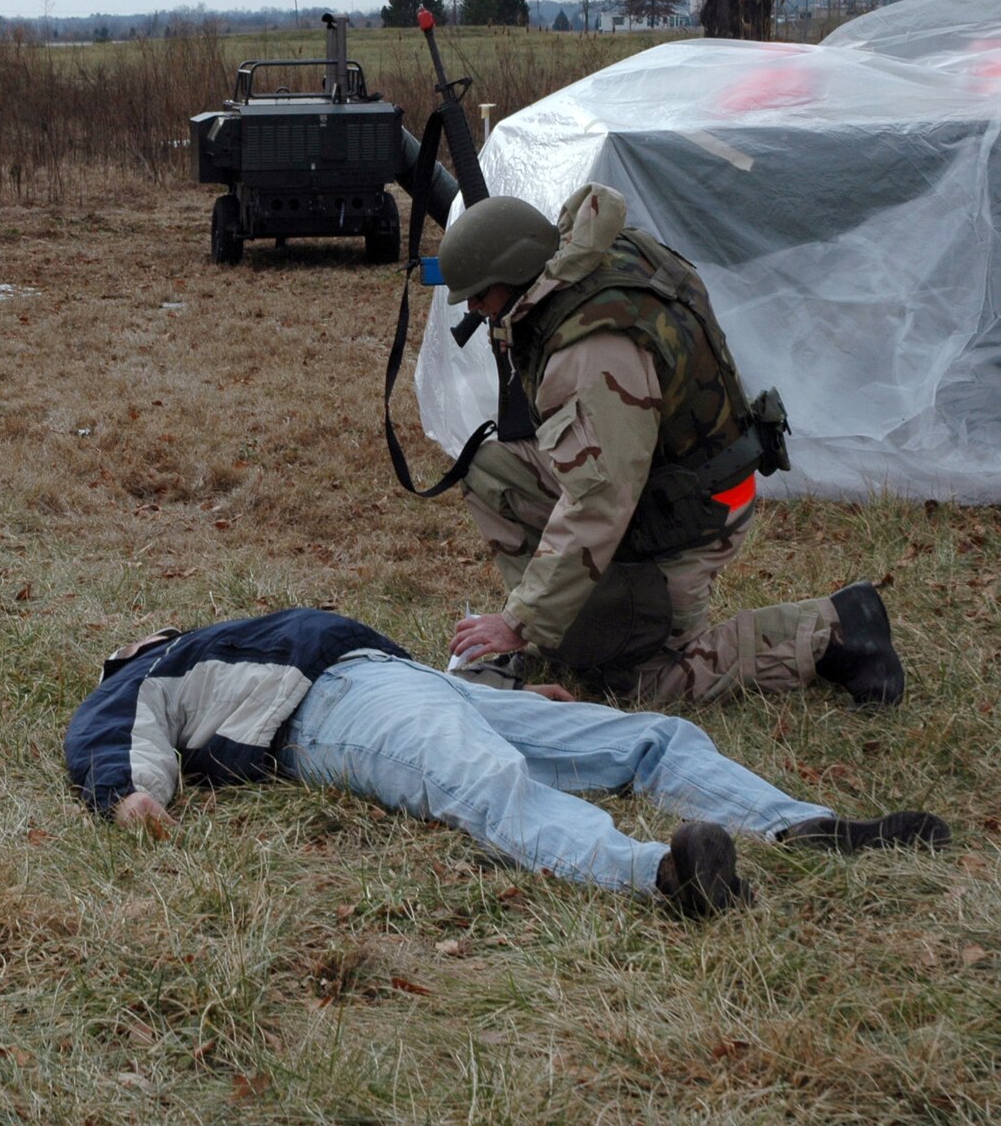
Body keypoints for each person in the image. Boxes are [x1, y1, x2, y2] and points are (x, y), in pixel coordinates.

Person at [65, 608, 948, 917]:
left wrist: (494, 689)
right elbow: (115, 737)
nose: (153, 633)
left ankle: (800, 823)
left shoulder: (231, 636)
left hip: (411, 683)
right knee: (485, 780)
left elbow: (413, 679)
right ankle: (662, 873)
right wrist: (132, 796)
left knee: (647, 734)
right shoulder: (146, 673)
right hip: (330, 715)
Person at [435, 183, 903, 707]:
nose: (475, 309)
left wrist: (519, 620)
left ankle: (835, 627)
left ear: (517, 271)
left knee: (642, 684)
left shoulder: (588, 351)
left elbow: (600, 500)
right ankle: (567, 622)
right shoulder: (587, 262)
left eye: (481, 293)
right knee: (494, 469)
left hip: (695, 513)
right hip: (672, 474)